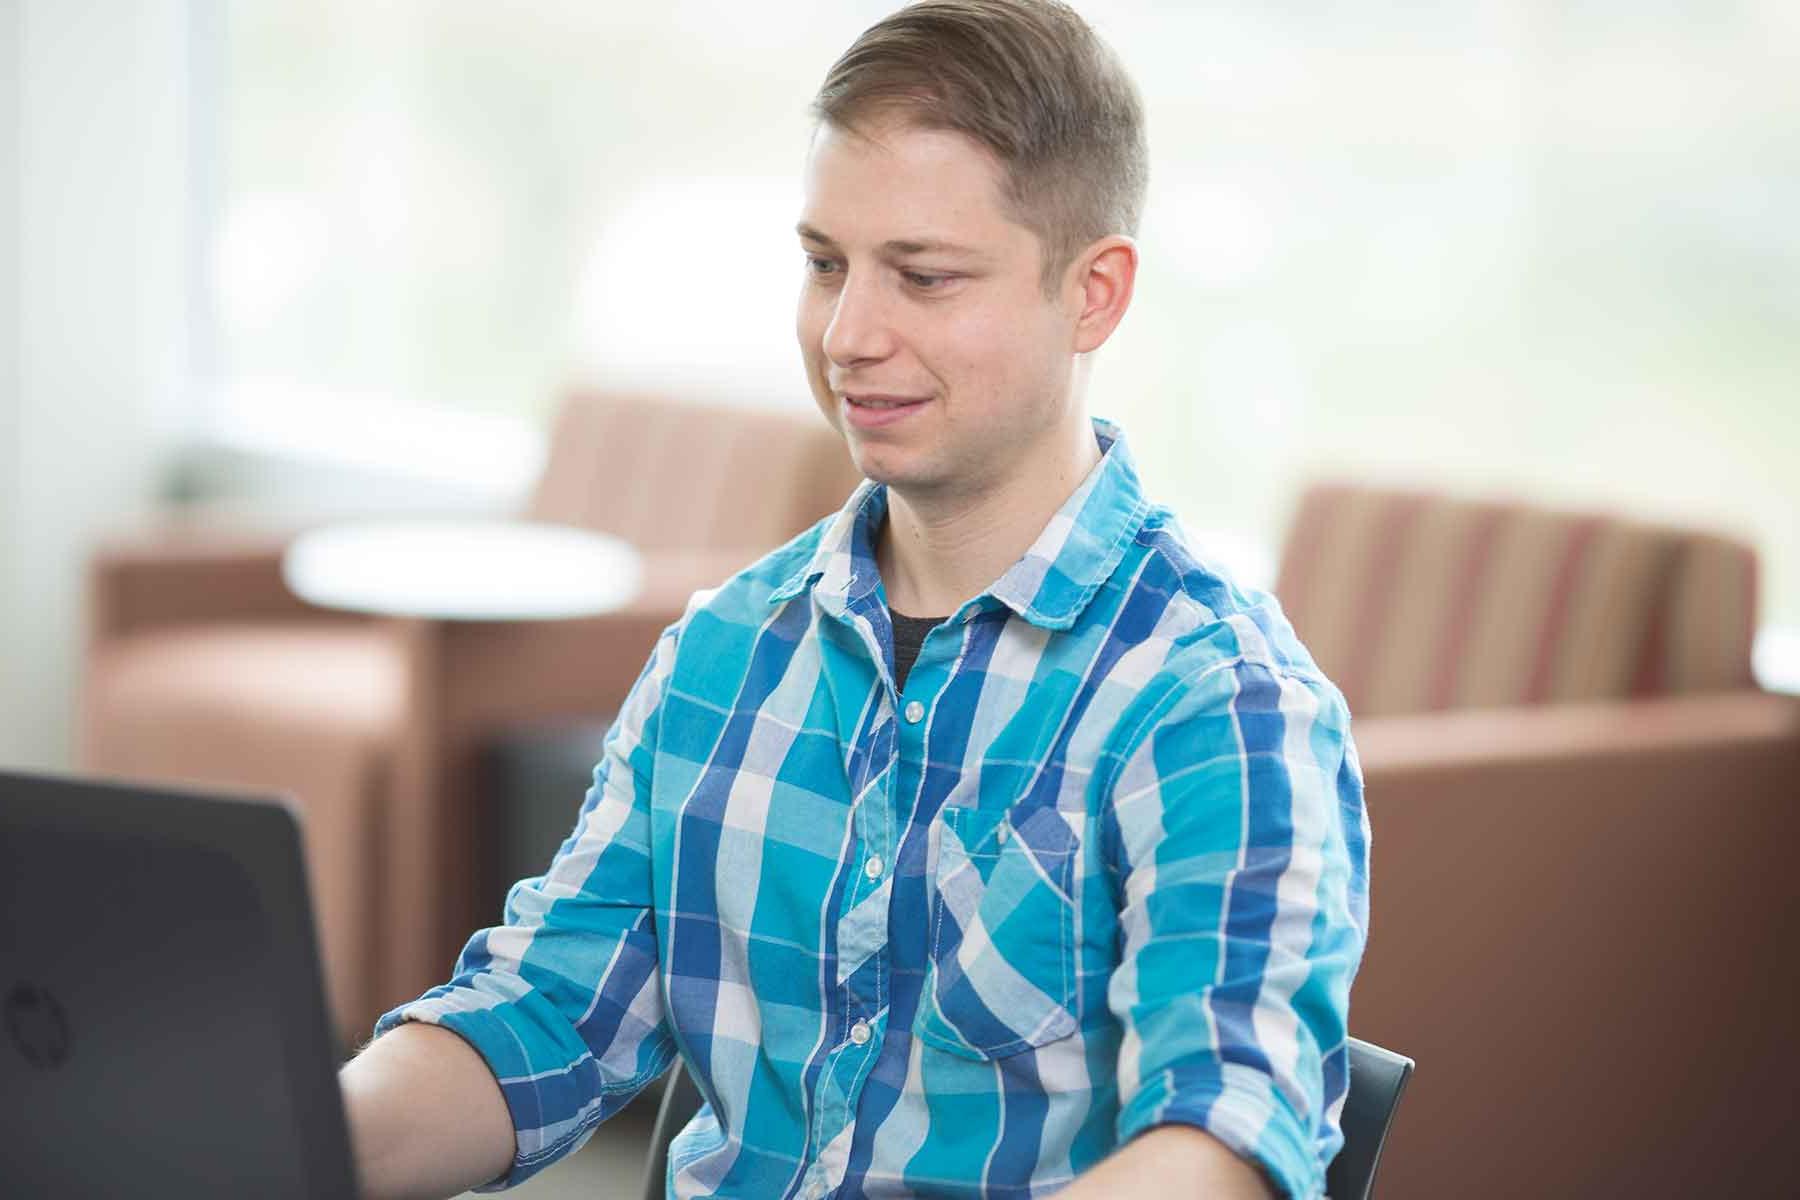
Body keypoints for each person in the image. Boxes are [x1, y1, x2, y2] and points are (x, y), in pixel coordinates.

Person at [340, 2, 1369, 1197]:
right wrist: (277, 1133)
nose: (846, 333)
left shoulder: (1219, 705)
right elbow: (543, 1016)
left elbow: (1225, 1145)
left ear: (1094, 295)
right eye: (826, 263)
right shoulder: (724, 654)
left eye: (922, 277)